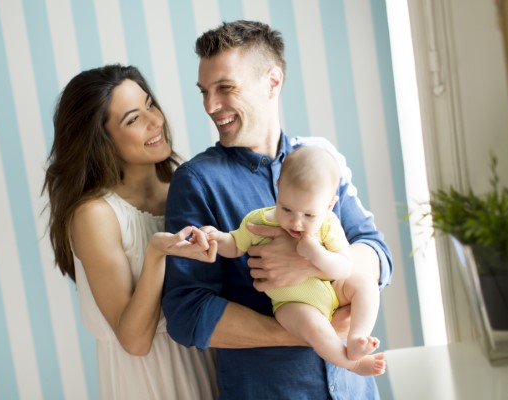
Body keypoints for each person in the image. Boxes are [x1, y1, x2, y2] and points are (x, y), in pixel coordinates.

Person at [162, 20, 393, 399]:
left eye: (225, 88)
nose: (210, 105)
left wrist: (310, 262)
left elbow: (376, 251)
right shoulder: (197, 181)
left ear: (273, 81)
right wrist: (309, 332)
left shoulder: (321, 160)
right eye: (204, 91)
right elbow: (187, 312)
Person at [42, 64, 218, 400]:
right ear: (100, 140)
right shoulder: (96, 215)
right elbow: (135, 341)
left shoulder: (189, 187)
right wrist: (155, 254)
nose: (155, 121)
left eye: (150, 105)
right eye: (133, 119)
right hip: (149, 381)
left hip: (214, 364)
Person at [200, 146, 384, 376]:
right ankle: (352, 364)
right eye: (286, 209)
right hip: (293, 305)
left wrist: (316, 253)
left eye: (308, 215)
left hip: (334, 291)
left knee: (365, 283)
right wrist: (217, 238)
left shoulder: (328, 223)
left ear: (329, 205)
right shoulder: (260, 221)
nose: (296, 223)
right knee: (314, 329)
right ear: (279, 188)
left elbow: (344, 266)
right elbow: (236, 244)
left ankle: (358, 336)